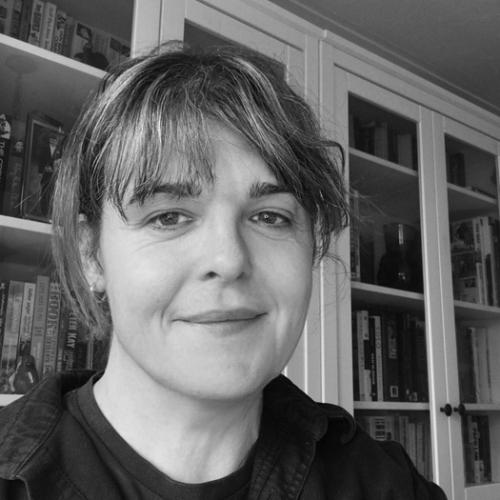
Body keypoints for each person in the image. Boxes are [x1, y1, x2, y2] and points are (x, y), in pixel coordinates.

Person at [0, 42, 447, 499]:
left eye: (270, 216)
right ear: (91, 254)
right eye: (168, 216)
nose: (229, 260)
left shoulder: (386, 485)